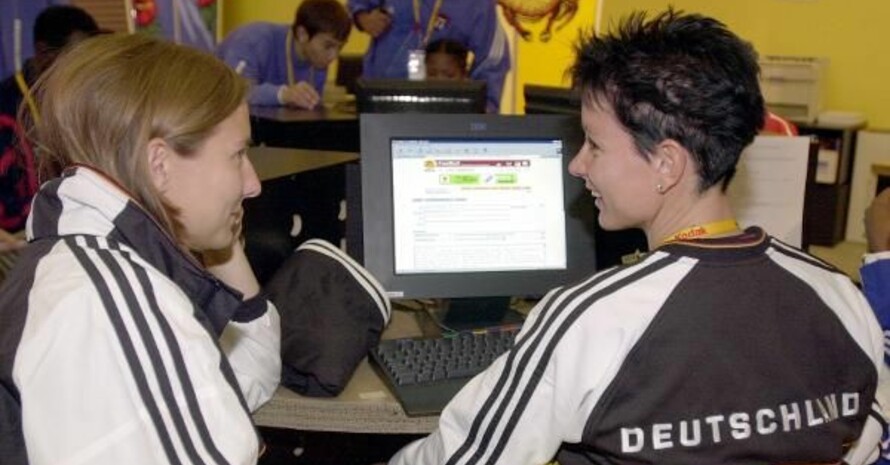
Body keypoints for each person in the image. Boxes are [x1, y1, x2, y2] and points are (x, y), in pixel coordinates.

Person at [388, 9, 885, 465]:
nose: (578, 164)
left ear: (666, 163)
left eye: (595, 145)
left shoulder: (588, 320)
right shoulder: (841, 297)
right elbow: (867, 445)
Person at [0, 33, 280, 464]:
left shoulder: (88, 257)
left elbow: (244, 379)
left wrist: (220, 243)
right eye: (237, 155)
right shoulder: (109, 298)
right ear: (160, 165)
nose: (252, 183)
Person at [0, 5, 100, 239]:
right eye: (77, 57)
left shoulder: (81, 101)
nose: (85, 67)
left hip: (69, 231)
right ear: (44, 53)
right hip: (14, 242)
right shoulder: (6, 107)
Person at [348, 0, 510, 112]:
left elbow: (493, 59)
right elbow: (357, 5)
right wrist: (362, 17)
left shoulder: (477, 4)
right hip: (381, 100)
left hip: (446, 111)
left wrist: (482, 108)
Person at [216, 0, 351, 109]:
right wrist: (283, 94)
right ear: (302, 34)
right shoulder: (253, 40)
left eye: (340, 47)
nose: (334, 56)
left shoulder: (318, 61)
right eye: (328, 46)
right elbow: (235, 93)